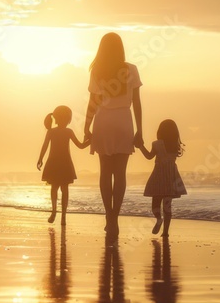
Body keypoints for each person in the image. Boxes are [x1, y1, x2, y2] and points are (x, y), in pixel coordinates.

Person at [83, 33, 144, 235]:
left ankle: (108, 215)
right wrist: (140, 130)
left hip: (103, 121)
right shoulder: (131, 69)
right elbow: (136, 103)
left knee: (105, 173)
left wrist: (86, 126)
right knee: (120, 175)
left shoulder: (97, 71)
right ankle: (115, 217)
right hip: (123, 121)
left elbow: (92, 102)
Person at [38, 105, 88, 225]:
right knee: (64, 189)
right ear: (68, 119)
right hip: (64, 163)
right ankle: (63, 216)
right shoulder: (68, 132)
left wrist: (40, 159)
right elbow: (80, 146)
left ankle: (54, 211)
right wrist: (90, 141)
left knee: (54, 188)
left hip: (54, 163)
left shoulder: (51, 132)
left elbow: (45, 146)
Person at [138, 119, 187, 237]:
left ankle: (159, 219)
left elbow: (149, 156)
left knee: (155, 204)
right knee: (167, 206)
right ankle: (165, 232)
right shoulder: (175, 146)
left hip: (159, 177)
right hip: (171, 178)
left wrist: (141, 147)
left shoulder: (157, 144)